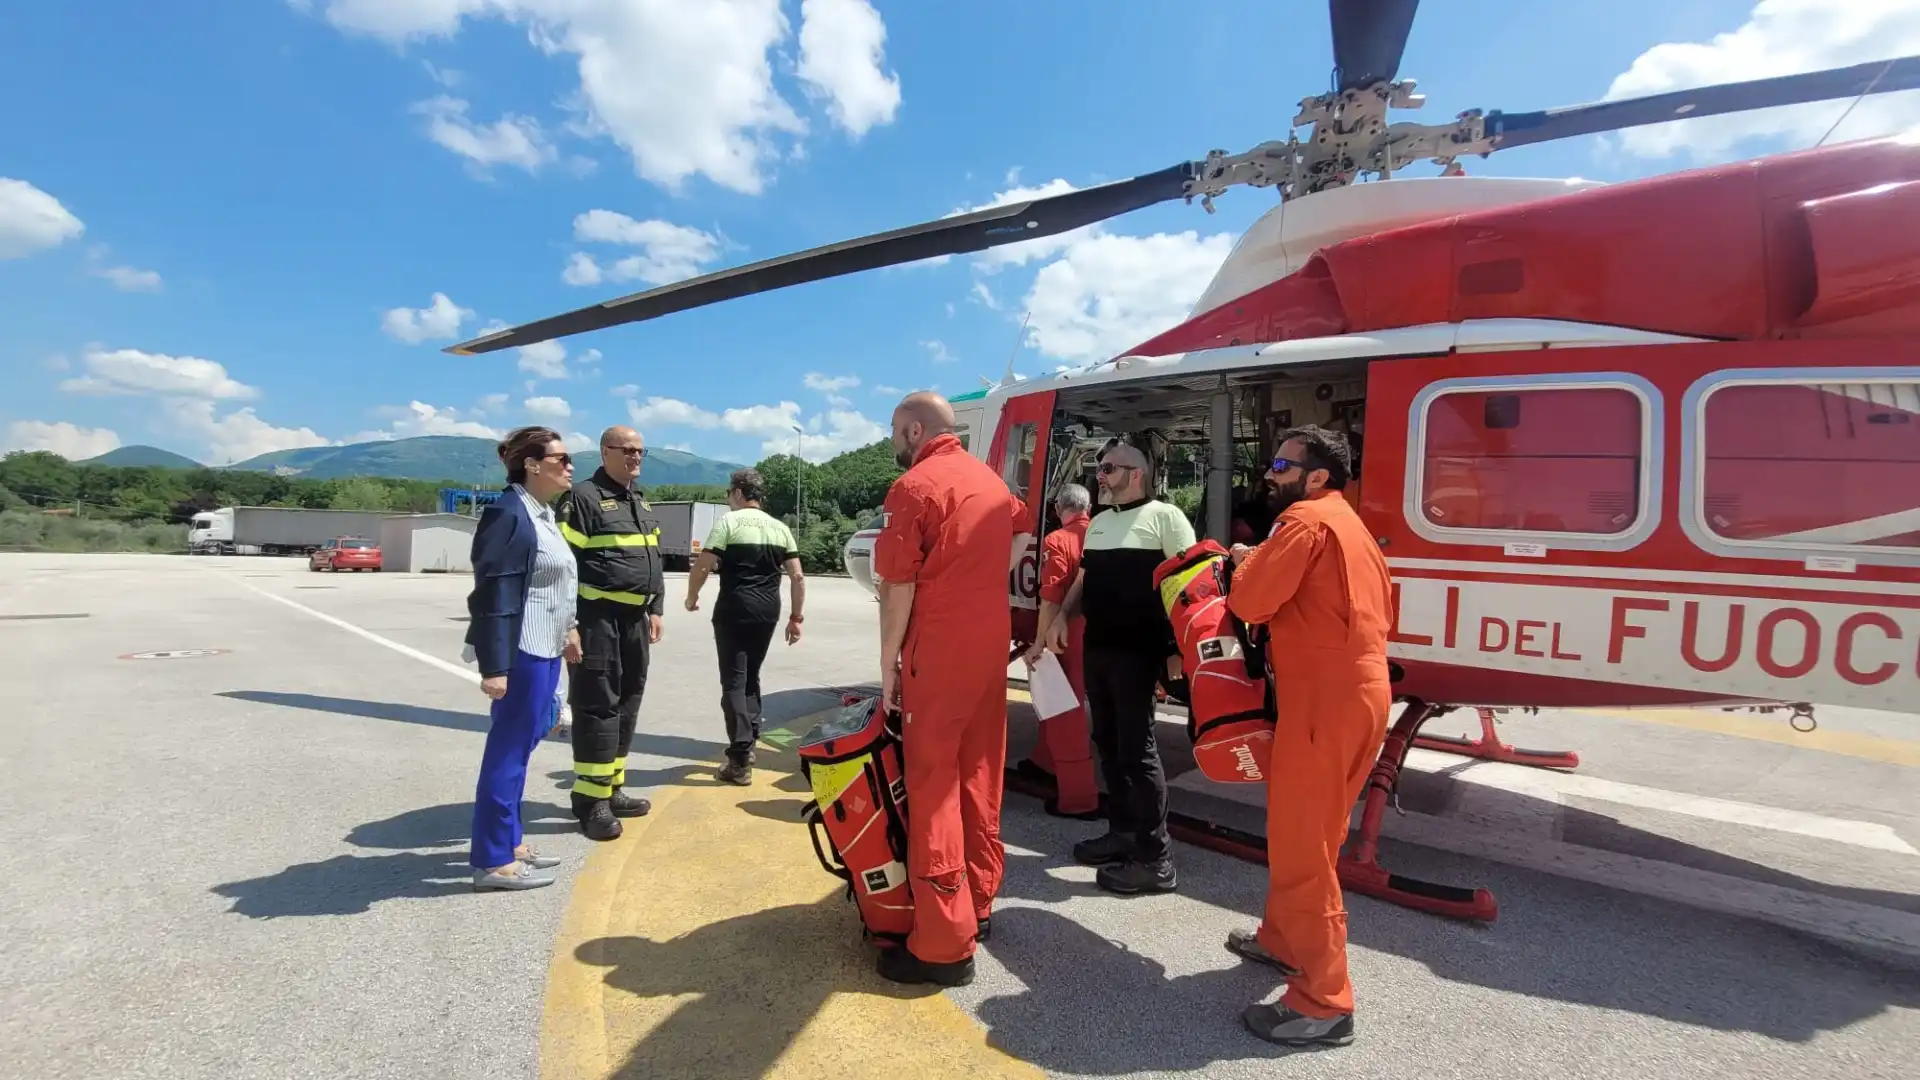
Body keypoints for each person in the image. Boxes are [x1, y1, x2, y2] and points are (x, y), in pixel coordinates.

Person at [1222, 424, 1392, 1050]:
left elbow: (1250, 602)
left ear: (1316, 476)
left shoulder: (1304, 521)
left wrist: (1247, 567)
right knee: (1312, 832)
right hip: (1360, 692)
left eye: (1281, 463)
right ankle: (1282, 941)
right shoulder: (1353, 528)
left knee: (1304, 847)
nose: (1270, 473)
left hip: (1325, 701)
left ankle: (1324, 1001)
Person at [871, 390, 1023, 987]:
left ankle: (942, 943)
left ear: (912, 431)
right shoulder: (988, 481)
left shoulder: (914, 487)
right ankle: (979, 903)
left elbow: (896, 588)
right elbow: (1018, 541)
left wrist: (888, 667)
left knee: (932, 783)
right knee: (980, 774)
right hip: (989, 646)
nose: (891, 440)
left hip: (939, 648)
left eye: (893, 429)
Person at [1042, 439, 1195, 895]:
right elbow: (1084, 579)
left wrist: (1178, 648)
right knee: (1107, 742)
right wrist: (1059, 620)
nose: (1101, 475)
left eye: (1109, 468)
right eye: (1098, 468)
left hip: (1139, 650)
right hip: (1100, 647)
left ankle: (1155, 857)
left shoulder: (1166, 517)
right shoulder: (1101, 523)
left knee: (1137, 750)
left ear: (1136, 473)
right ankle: (1123, 832)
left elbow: (1190, 584)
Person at [463, 426, 582, 891]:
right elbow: (493, 592)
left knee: (524, 747)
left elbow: (553, 582)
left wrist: (569, 628)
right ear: (531, 464)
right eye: (560, 458)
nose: (569, 465)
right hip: (521, 649)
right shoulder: (508, 513)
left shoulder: (542, 513)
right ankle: (492, 861)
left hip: (546, 643)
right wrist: (494, 667)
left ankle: (509, 842)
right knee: (507, 753)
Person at [556, 425, 664, 841]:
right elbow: (563, 568)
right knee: (597, 705)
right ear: (605, 452)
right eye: (628, 450)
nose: (636, 457)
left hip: (634, 621)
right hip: (596, 619)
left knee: (627, 703)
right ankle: (590, 801)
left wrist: (655, 608)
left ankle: (612, 787)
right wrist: (569, 625)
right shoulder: (583, 498)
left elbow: (651, 561)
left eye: (641, 450)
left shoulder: (638, 500)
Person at [683, 467, 805, 785]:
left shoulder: (728, 522)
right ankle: (749, 743)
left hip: (735, 608)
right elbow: (798, 576)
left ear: (738, 493)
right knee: (751, 676)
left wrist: (691, 596)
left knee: (734, 682)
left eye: (728, 494)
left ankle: (738, 760)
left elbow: (704, 565)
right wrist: (796, 618)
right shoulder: (780, 528)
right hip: (768, 611)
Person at [1018, 482, 1099, 818]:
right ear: (1089, 508)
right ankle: (1044, 760)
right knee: (1057, 703)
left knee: (1064, 710)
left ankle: (1079, 799)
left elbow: (1050, 598)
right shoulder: (1102, 535)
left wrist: (1038, 643)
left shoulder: (1057, 541)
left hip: (1066, 637)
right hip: (1100, 635)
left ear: (1057, 510)